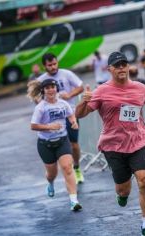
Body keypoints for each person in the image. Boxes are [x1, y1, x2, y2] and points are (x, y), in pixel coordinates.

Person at [76, 51, 145, 236]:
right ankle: (122, 195)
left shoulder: (139, 87)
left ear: (128, 67)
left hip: (138, 141)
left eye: (124, 64)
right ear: (109, 69)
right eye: (117, 65)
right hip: (113, 145)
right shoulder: (102, 90)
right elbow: (81, 114)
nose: (121, 68)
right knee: (123, 189)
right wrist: (82, 102)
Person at [29, 78, 82, 212]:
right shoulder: (41, 107)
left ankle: (74, 201)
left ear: (57, 89)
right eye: (47, 88)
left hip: (62, 141)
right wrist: (48, 126)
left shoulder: (64, 104)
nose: (51, 90)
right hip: (45, 144)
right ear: (43, 91)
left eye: (53, 87)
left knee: (67, 168)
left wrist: (74, 122)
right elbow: (33, 126)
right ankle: (50, 183)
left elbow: (71, 115)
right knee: (52, 173)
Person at [36, 53, 85, 184]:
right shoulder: (41, 80)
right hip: (51, 120)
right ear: (44, 66)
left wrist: (69, 95)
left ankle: (77, 168)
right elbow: (36, 99)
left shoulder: (66, 74)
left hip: (69, 114)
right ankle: (61, 170)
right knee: (58, 145)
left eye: (54, 63)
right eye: (49, 65)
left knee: (74, 144)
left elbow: (80, 86)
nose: (53, 67)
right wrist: (48, 99)